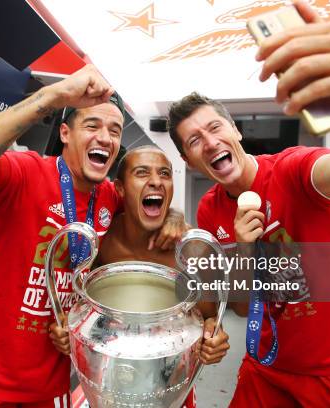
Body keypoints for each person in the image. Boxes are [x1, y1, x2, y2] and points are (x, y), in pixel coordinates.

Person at [166, 1, 330, 406]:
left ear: (235, 131)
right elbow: (238, 307)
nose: (210, 142)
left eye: (214, 127)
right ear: (189, 160)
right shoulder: (210, 209)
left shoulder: (295, 170)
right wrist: (243, 248)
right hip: (267, 368)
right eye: (194, 140)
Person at [0, 64, 184, 408]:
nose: (105, 137)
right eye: (92, 125)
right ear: (65, 133)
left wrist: (174, 215)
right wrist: (53, 95)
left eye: (114, 130)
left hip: (53, 379)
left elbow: (149, 211)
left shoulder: (110, 199)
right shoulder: (27, 172)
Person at [95, 145, 231, 408]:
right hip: (112, 377)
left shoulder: (192, 250)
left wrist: (214, 338)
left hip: (172, 384)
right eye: (142, 173)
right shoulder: (105, 237)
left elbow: (209, 318)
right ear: (121, 189)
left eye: (165, 174)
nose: (156, 181)